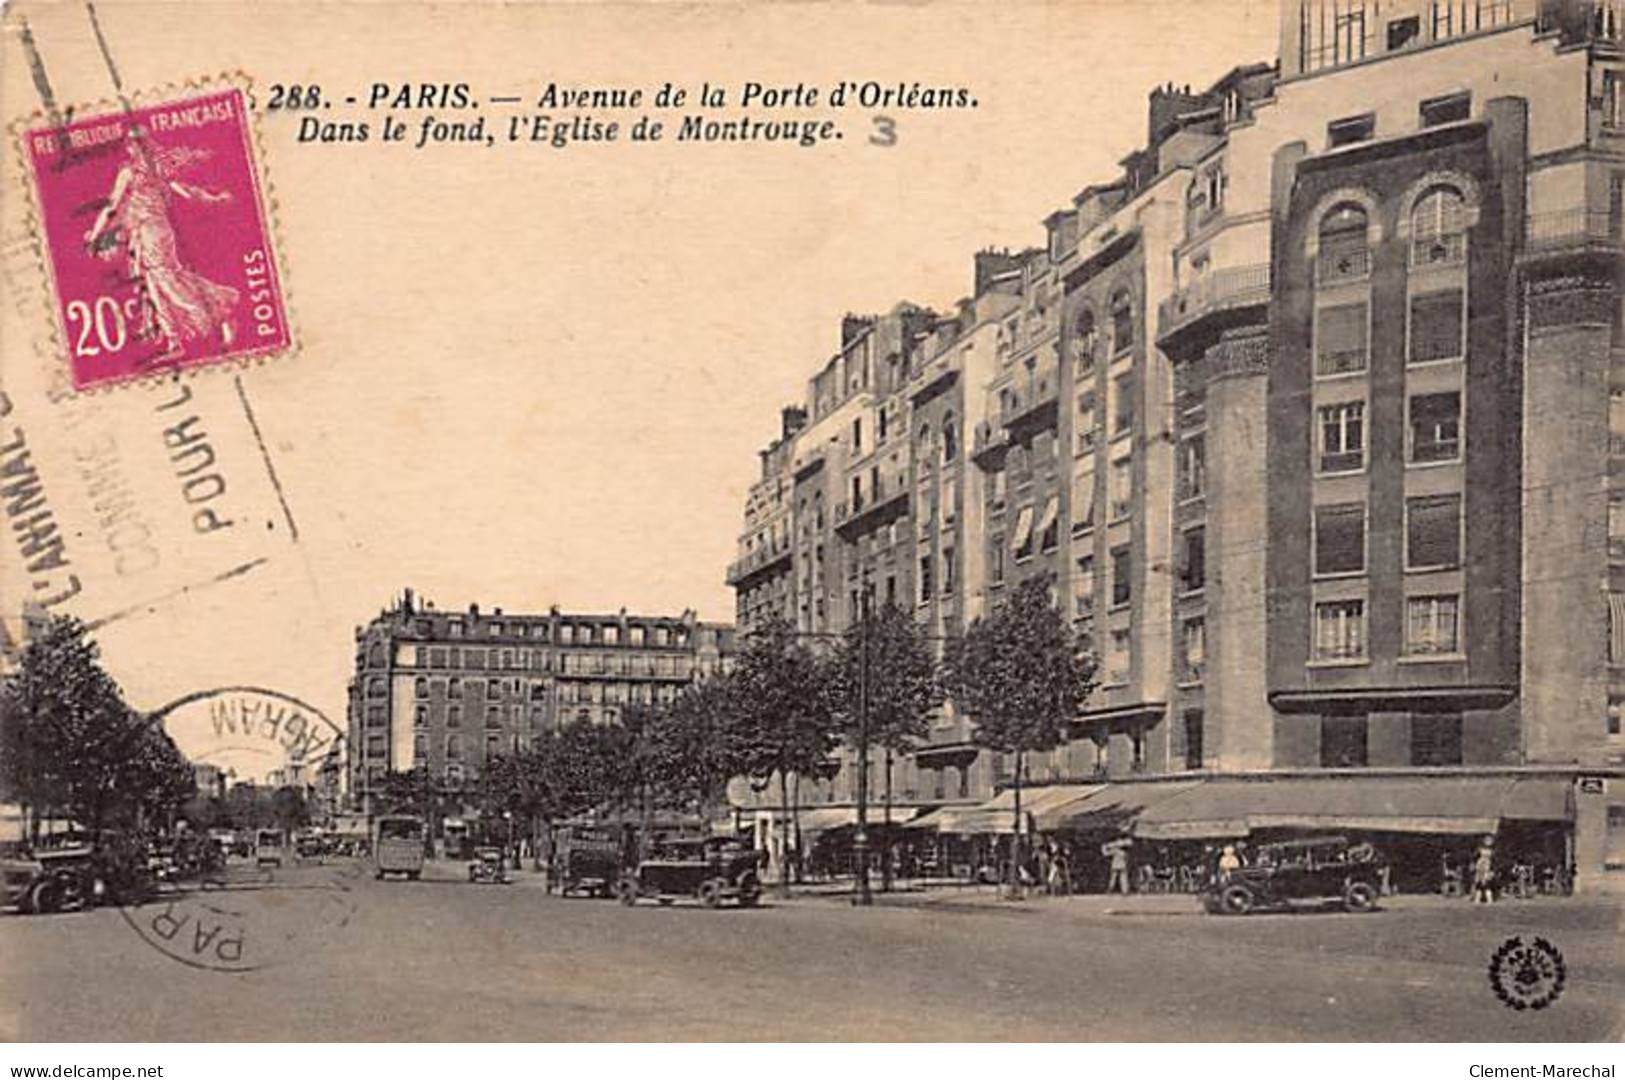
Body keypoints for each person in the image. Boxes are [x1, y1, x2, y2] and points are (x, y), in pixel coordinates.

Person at [1472, 836, 1496, 904]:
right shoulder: (1479, 849)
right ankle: (1477, 899)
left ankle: (1489, 899)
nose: (1488, 842)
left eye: (1490, 840)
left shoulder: (1493, 851)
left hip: (1488, 868)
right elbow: (1474, 857)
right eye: (1487, 840)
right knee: (1479, 883)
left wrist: (1492, 870)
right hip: (1480, 867)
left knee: (1487, 883)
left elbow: (1494, 861)